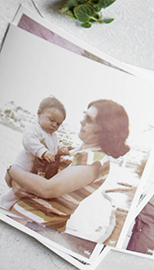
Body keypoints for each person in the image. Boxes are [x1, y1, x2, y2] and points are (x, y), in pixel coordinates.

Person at [3, 99, 129, 242]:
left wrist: (12, 169)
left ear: (105, 129)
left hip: (34, 228)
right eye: (84, 115)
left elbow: (47, 189)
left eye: (89, 119)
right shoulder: (72, 152)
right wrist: (16, 180)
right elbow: (25, 178)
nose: (81, 121)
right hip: (20, 218)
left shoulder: (96, 160)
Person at [0, 96, 68, 210]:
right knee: (16, 191)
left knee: (25, 192)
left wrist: (60, 149)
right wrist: (42, 151)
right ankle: (3, 206)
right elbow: (29, 140)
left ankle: (14, 208)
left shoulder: (53, 136)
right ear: (39, 113)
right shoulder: (34, 128)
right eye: (52, 120)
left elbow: (55, 145)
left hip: (37, 169)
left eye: (58, 124)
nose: (54, 125)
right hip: (25, 164)